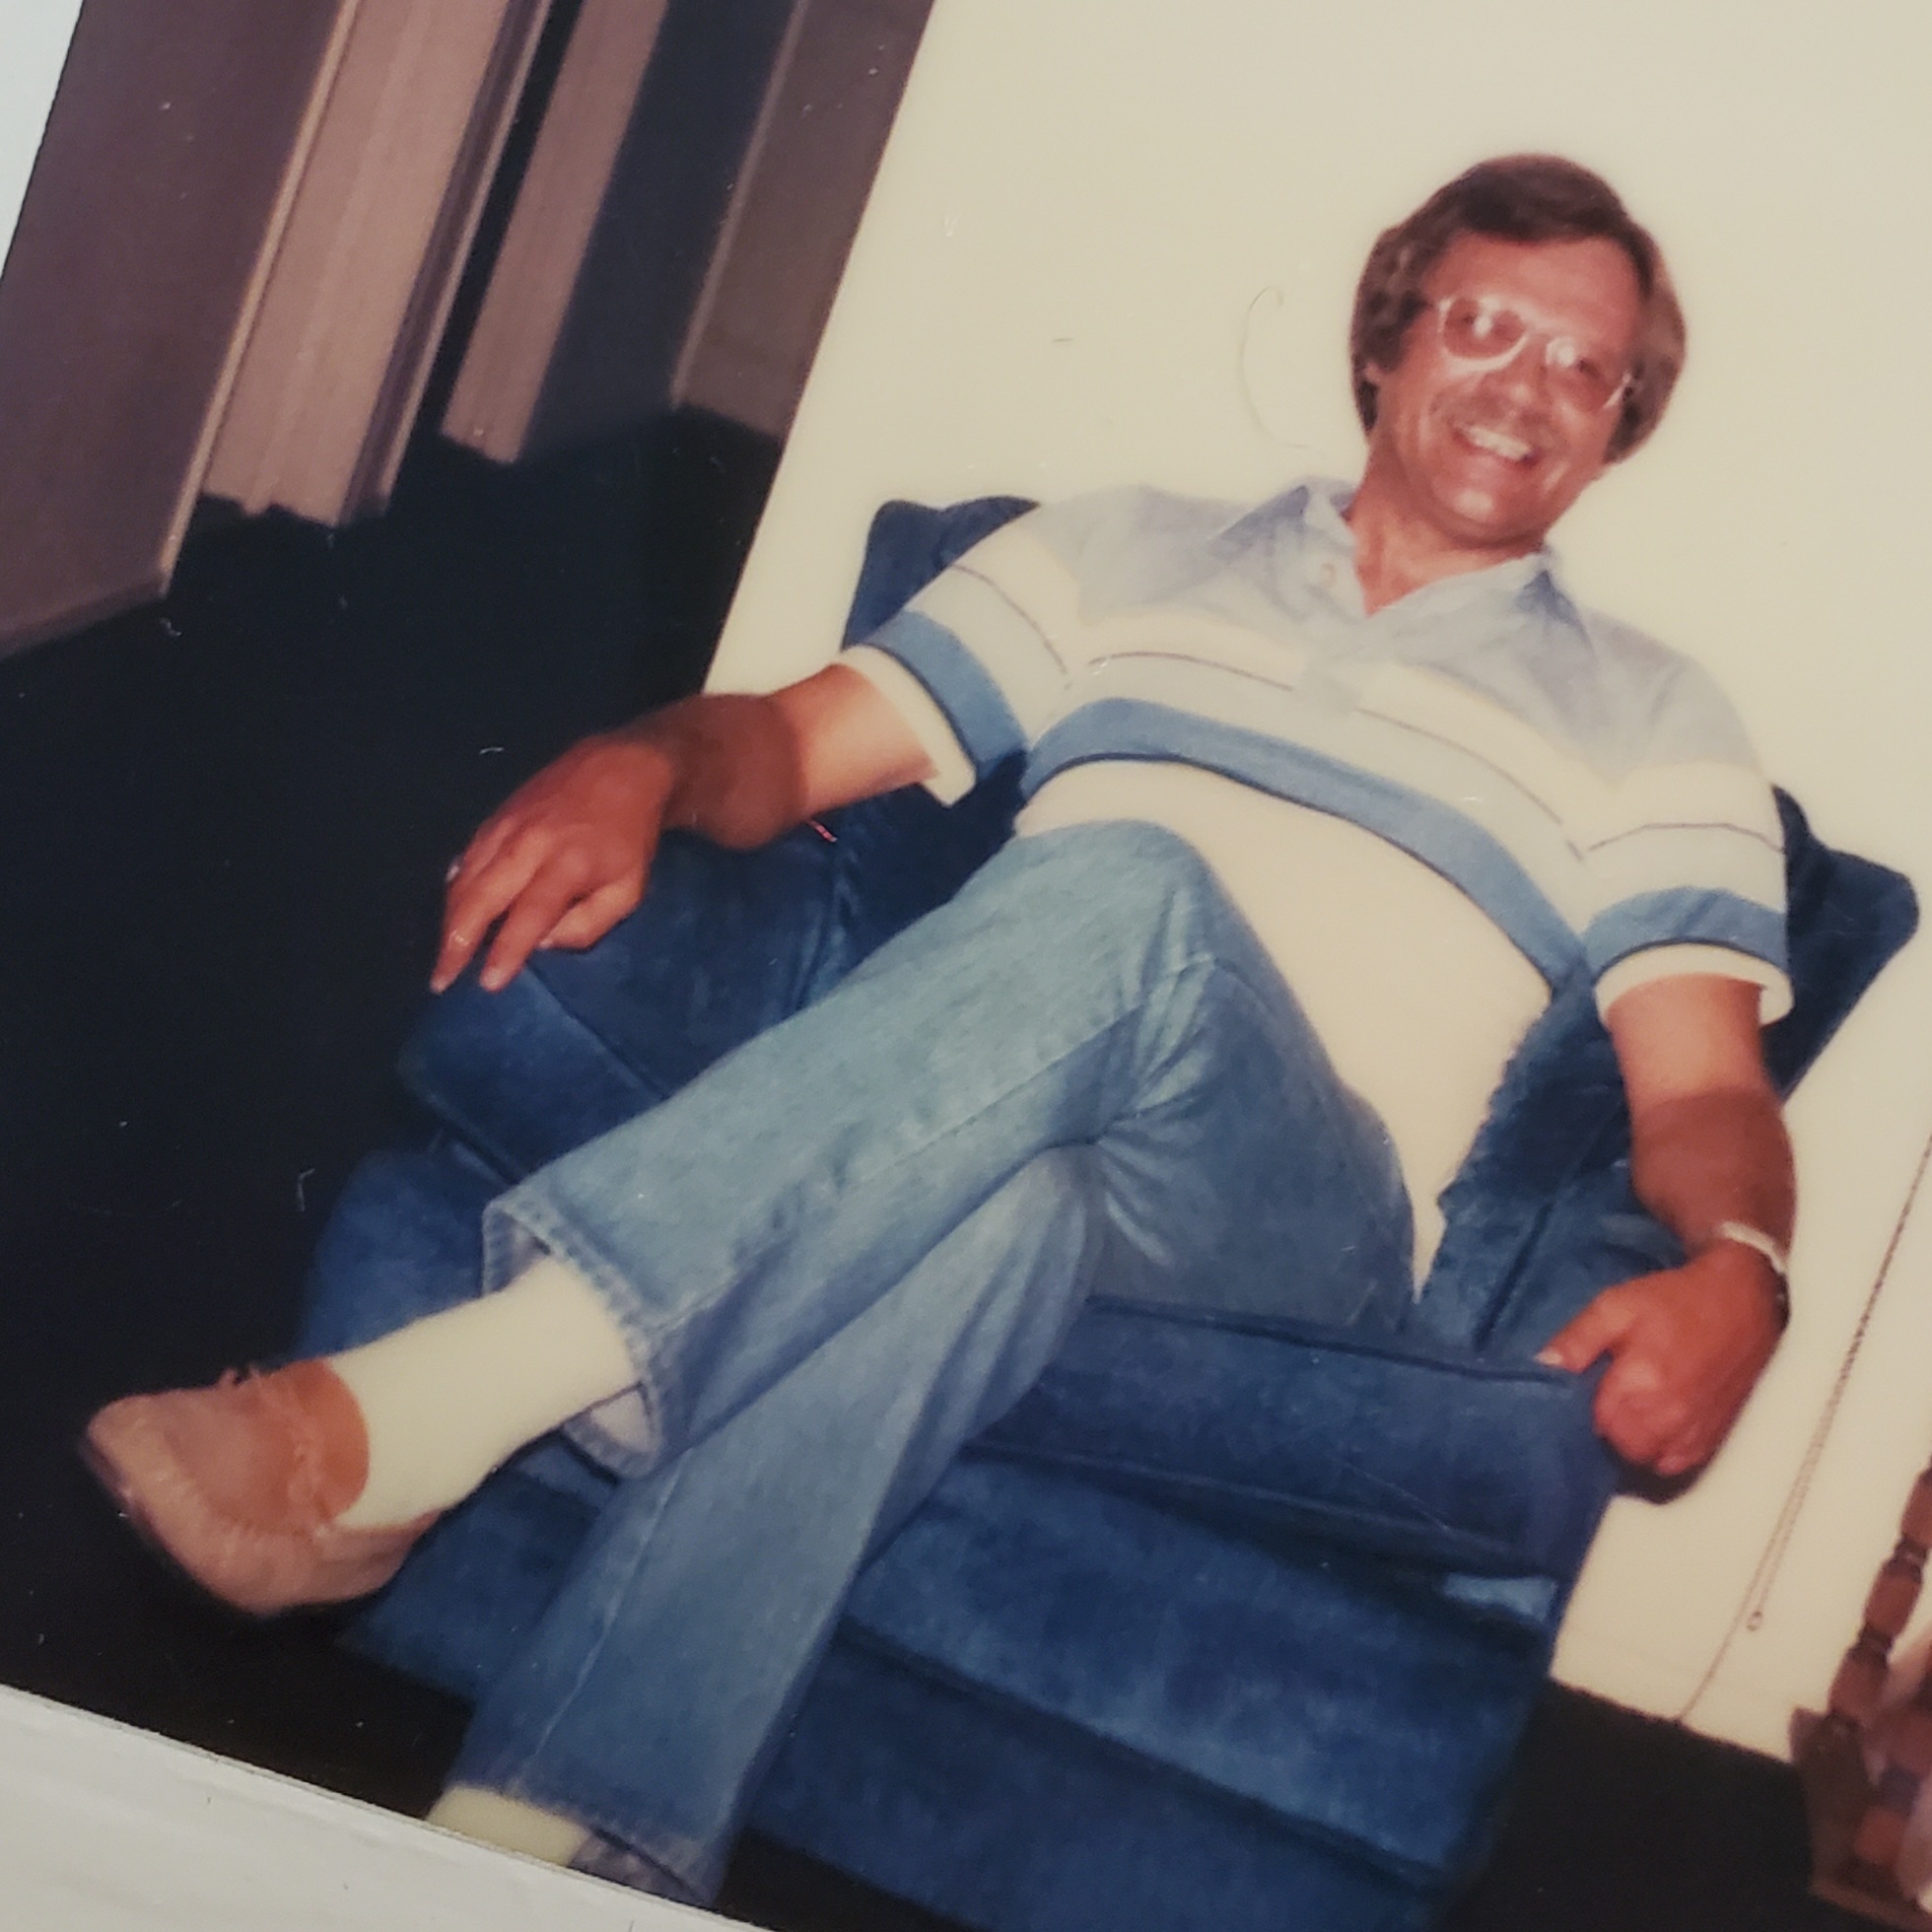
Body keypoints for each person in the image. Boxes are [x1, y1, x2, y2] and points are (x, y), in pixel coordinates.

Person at [83, 156, 1795, 1898]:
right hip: (1027, 1157)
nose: (1527, 386)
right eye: (1487, 324)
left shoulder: (1660, 724)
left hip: (1291, 1236)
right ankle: (545, 1842)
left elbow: (1706, 1091)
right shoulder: (1120, 548)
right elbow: (796, 746)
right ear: (1388, 340)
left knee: (1128, 885)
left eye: (1585, 367)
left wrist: (1742, 1258)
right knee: (1005, 1208)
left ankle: (430, 1408)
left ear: (1616, 424)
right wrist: (647, 760)